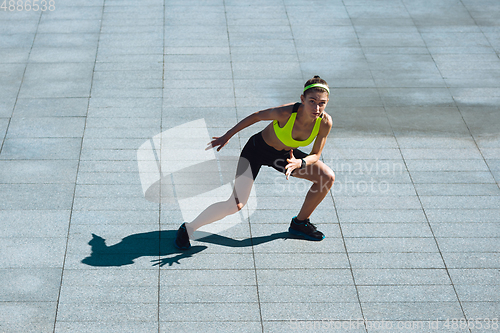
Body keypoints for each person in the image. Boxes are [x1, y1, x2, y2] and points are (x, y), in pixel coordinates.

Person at [174, 76, 335, 250]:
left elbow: (316, 154)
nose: (317, 108)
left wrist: (300, 162)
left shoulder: (325, 122)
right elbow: (257, 116)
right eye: (312, 101)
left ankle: (300, 223)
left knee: (327, 177)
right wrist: (227, 135)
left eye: (322, 103)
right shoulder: (285, 113)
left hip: (285, 156)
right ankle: (188, 228)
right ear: (302, 99)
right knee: (236, 204)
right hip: (257, 150)